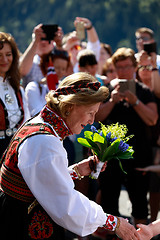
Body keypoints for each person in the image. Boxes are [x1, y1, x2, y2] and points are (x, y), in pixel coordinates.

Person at [0, 72, 141, 240]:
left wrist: (77, 170)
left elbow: (41, 182)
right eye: (90, 112)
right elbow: (65, 205)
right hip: (21, 224)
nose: (92, 121)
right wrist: (112, 222)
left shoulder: (40, 125)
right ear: (70, 106)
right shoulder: (45, 141)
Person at [95, 47, 158, 234]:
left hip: (138, 156)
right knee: (109, 205)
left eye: (127, 67)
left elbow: (152, 119)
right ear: (114, 67)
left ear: (135, 67)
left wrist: (135, 102)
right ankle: (111, 237)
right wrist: (112, 101)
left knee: (139, 205)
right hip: (111, 156)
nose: (123, 71)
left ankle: (141, 237)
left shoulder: (144, 91)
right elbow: (95, 117)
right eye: (119, 67)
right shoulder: (106, 91)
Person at [136, 52, 160, 222]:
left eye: (149, 68)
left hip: (156, 143)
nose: (146, 71)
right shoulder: (135, 89)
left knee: (155, 187)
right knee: (144, 187)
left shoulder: (156, 91)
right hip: (140, 142)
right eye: (142, 67)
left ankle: (154, 222)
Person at [0, 32, 30, 159]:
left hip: (16, 149)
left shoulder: (17, 88)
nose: (5, 60)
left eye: (8, 54)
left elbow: (27, 121)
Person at [19, 23, 63, 88]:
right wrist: (35, 41)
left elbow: (68, 72)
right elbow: (21, 71)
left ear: (53, 42)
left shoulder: (58, 58)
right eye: (41, 39)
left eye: (47, 39)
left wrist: (59, 45)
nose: (43, 42)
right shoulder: (31, 61)